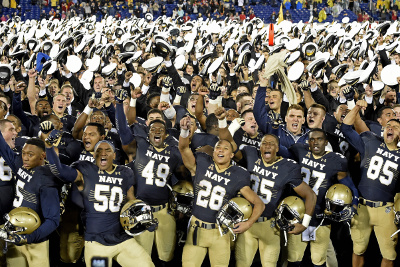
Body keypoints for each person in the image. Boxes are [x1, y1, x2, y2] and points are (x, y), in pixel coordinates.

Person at [215, 107, 316, 267]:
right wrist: (222, 122)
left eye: (271, 144)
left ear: (277, 149)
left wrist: (305, 223)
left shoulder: (287, 166)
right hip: (247, 222)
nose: (267, 146)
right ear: (259, 146)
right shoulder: (250, 154)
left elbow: (310, 194)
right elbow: (228, 144)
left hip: (271, 225)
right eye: (264, 143)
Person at [44, 130, 154, 267]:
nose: (103, 153)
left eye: (107, 150)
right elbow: (58, 170)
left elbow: (131, 201)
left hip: (122, 238)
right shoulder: (85, 171)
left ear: (114, 155)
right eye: (99, 150)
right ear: (94, 155)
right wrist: (49, 147)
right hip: (97, 243)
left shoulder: (125, 173)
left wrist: (143, 219)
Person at [178, 115, 265, 266]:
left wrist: (249, 223)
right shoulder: (202, 162)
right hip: (196, 228)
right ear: (213, 151)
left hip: (220, 231)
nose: (221, 150)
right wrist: (184, 132)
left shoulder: (238, 175)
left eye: (226, 148)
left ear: (231, 155)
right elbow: (184, 148)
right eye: (218, 147)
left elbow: (259, 204)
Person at [115, 89, 184, 264]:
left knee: (166, 256)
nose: (157, 131)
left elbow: (184, 178)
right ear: (148, 133)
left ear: (166, 134)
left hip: (164, 210)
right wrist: (118, 105)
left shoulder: (174, 153)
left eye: (161, 128)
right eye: (153, 128)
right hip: (140, 209)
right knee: (142, 257)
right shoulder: (140, 145)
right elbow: (123, 130)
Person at [341, 99, 400, 267]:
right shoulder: (370, 141)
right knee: (358, 249)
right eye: (388, 125)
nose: (391, 128)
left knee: (389, 254)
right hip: (362, 207)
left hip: (386, 209)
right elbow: (345, 127)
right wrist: (357, 107)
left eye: (395, 127)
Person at [0, 132, 60, 267]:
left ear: (42, 156)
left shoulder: (47, 180)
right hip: (14, 234)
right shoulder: (19, 164)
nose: (25, 158)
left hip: (35, 241)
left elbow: (53, 220)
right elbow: (3, 147)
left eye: (30, 155)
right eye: (23, 153)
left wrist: (28, 238)